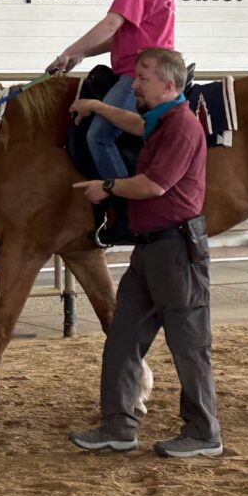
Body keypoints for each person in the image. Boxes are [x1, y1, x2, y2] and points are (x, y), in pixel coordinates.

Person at [67, 48, 222, 458]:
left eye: (143, 78)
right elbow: (134, 123)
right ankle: (118, 427)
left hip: (175, 250)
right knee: (123, 338)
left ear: (168, 86)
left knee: (189, 344)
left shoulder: (181, 127)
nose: (134, 84)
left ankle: (204, 432)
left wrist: (108, 186)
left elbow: (154, 185)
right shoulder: (160, 120)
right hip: (152, 249)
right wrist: (99, 106)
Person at [47, 0, 175, 184]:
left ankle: (122, 199)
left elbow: (111, 25)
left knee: (99, 136)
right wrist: (82, 53)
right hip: (143, 66)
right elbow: (125, 36)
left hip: (140, 74)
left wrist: (66, 53)